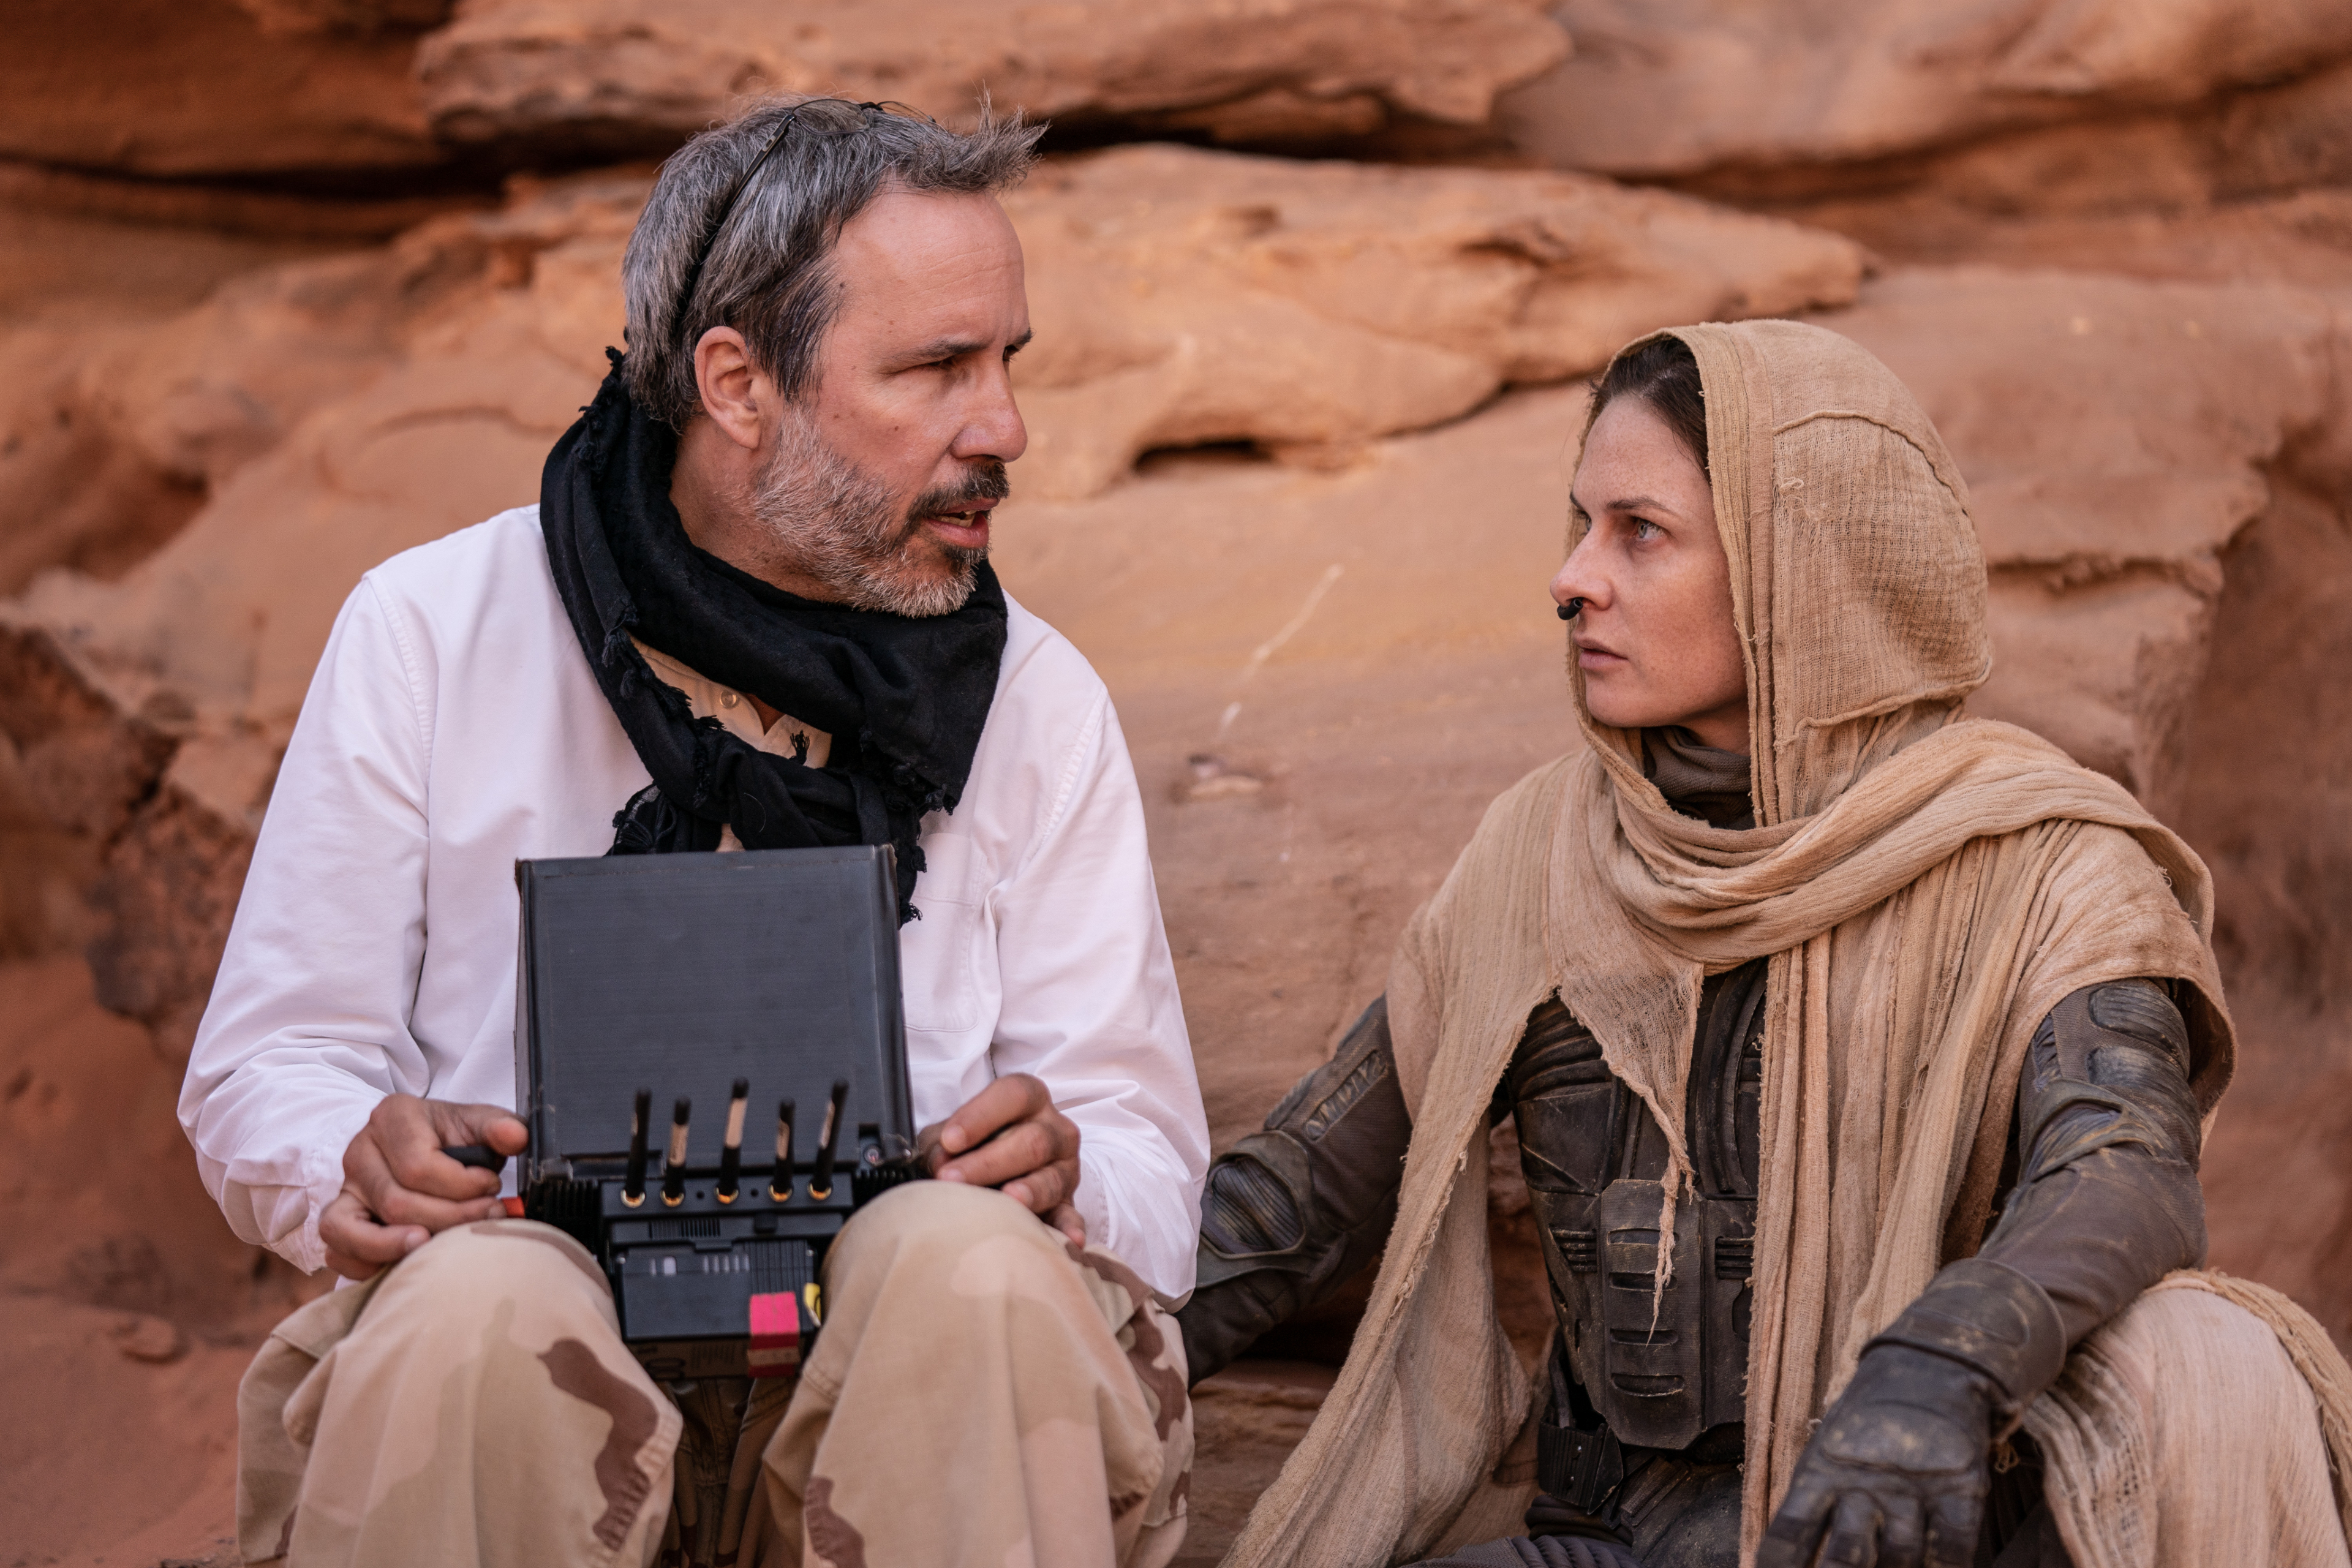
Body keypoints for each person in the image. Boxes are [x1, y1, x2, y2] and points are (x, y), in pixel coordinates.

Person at [178, 97, 1209, 1568]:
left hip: (910, 1406)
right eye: (935, 370)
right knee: (484, 1301)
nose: (1006, 429)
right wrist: (356, 1152)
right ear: (737, 381)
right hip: (523, 1400)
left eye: (1007, 364)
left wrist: (1068, 1169)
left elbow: (1152, 1161)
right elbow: (264, 1063)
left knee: (963, 1268)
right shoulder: (431, 632)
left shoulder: (1034, 699)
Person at [1177, 323, 2352, 1568]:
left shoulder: (2040, 863)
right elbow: (1296, 1201)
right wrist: (1058, 1322)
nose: (1574, 577)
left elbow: (2126, 1172)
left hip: (1910, 1530)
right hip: (1618, 1541)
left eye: (1640, 531)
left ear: (1804, 564)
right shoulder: (1538, 860)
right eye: (1579, 524)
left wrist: (1940, 1366)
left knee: (2212, 1364)